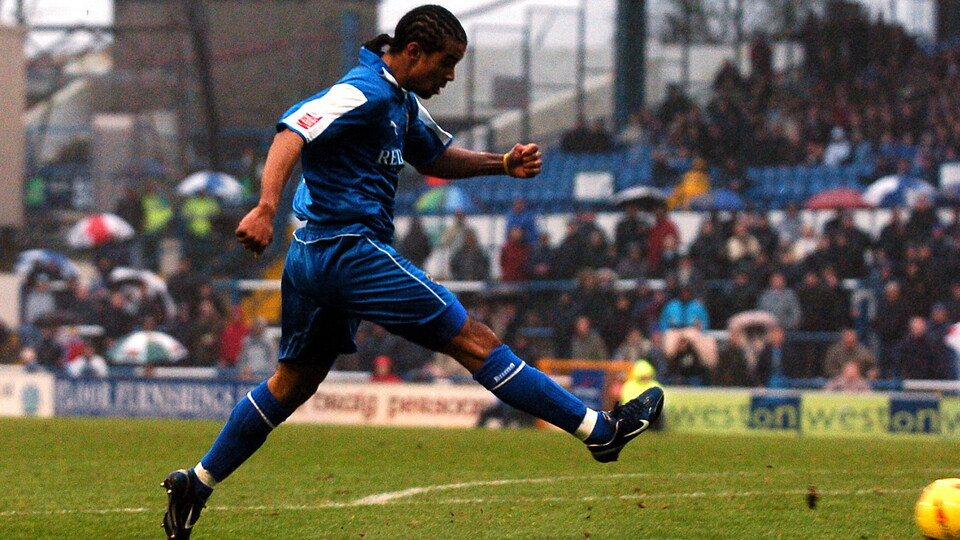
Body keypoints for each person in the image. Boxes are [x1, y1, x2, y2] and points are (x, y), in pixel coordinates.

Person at [161, 7, 663, 538]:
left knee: (292, 383)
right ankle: (599, 431)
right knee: (476, 341)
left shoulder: (400, 101)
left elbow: (436, 156)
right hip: (347, 251)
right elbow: (292, 131)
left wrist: (503, 164)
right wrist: (265, 207)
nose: (449, 77)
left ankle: (197, 481)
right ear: (413, 53)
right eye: (446, 65)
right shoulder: (365, 91)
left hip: (312, 256)